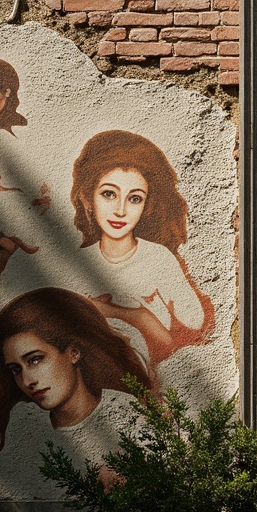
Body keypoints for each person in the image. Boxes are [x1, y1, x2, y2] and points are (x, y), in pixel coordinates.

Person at [70, 130, 212, 367]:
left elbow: (194, 324)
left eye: (135, 198)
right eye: (109, 194)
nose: (120, 210)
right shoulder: (74, 263)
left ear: (147, 206)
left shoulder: (157, 258)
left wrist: (124, 312)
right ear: (87, 198)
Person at [0, 287, 153, 453]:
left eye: (35, 359)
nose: (27, 381)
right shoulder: (30, 436)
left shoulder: (126, 411)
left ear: (73, 353)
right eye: (16, 369)